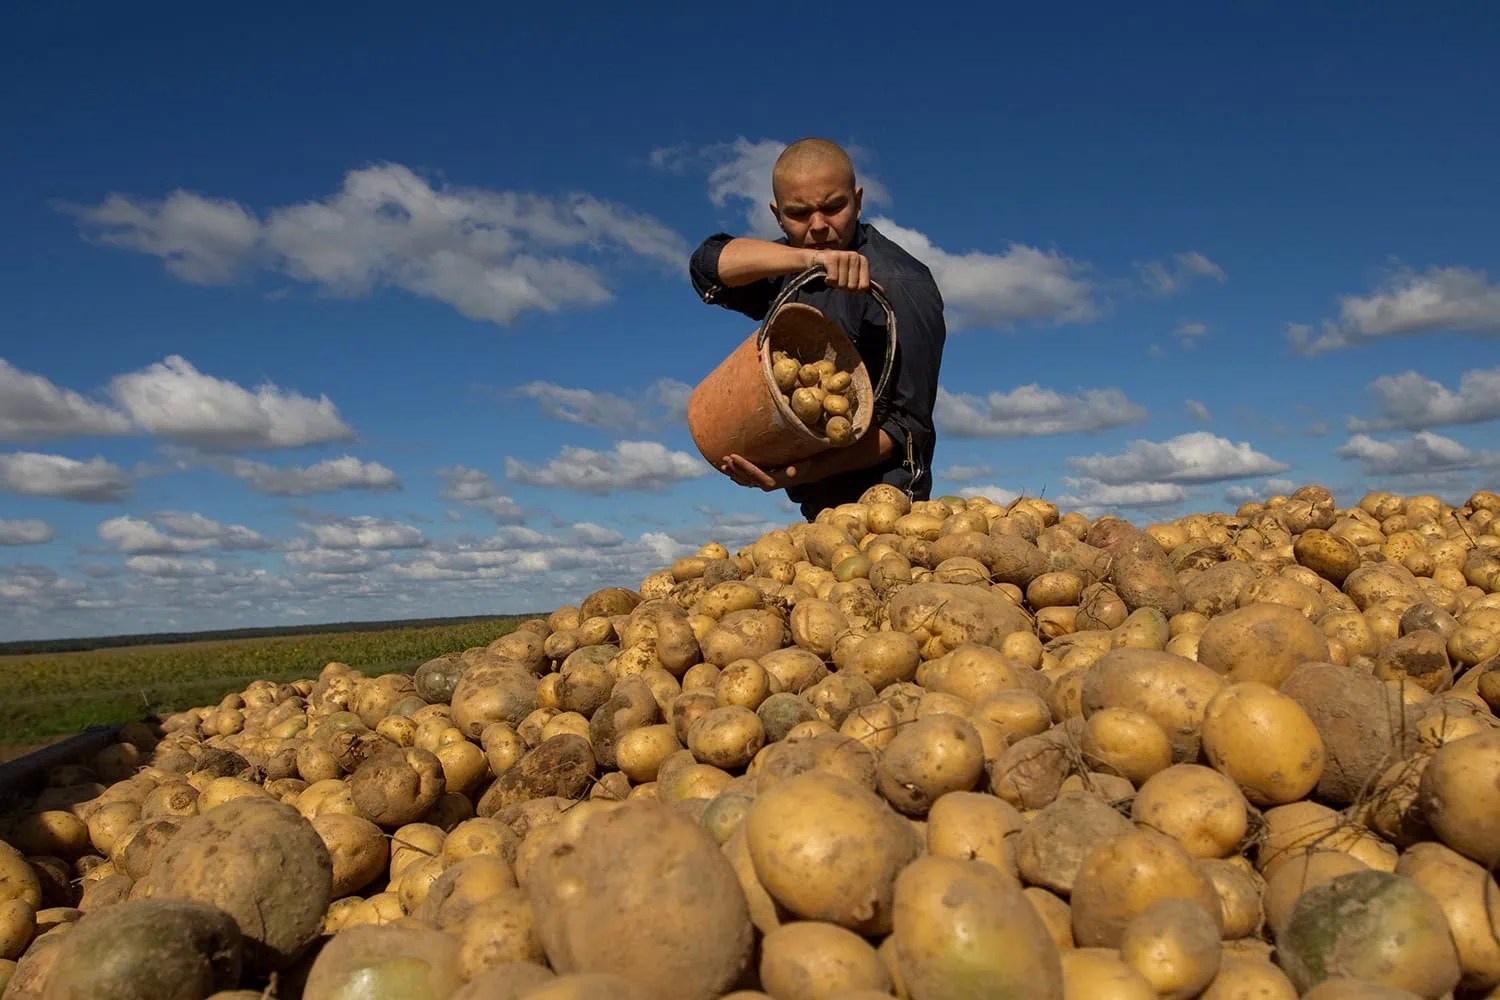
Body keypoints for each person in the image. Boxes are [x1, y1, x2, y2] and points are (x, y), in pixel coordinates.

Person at [688, 137, 948, 521]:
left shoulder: (903, 285)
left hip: (889, 509)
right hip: (818, 511)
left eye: (834, 207)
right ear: (778, 215)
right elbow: (706, 266)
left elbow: (906, 431)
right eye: (799, 214)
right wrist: (810, 260)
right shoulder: (791, 265)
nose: (819, 226)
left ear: (857, 200)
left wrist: (794, 472)